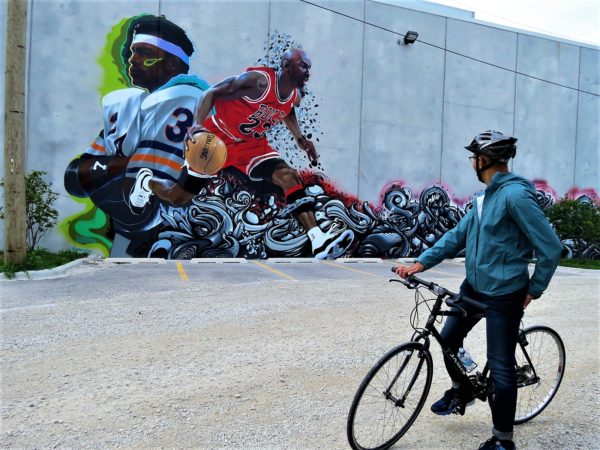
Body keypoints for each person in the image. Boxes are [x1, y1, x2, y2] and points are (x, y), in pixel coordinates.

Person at [395, 130, 562, 450]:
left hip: (504, 292)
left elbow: (550, 248)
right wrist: (421, 264)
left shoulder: (515, 196)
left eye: (474, 157)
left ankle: (503, 440)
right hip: (474, 285)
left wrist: (535, 288)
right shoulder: (485, 198)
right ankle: (463, 390)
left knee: (500, 364)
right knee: (449, 339)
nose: (472, 162)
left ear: (483, 160)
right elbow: (457, 236)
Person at [167, 48, 354, 259]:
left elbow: (287, 111)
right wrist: (197, 125)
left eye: (309, 67)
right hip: (218, 138)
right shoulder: (258, 82)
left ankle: (317, 239)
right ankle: (147, 183)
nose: (308, 72)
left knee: (287, 175)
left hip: (251, 147)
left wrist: (300, 138)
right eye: (303, 66)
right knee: (178, 198)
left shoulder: (295, 96)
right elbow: (211, 93)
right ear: (285, 66)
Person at [64, 15, 209, 256]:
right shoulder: (130, 105)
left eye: (143, 53)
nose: (132, 60)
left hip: (170, 237)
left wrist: (109, 170)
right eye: (133, 52)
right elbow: (74, 178)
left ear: (172, 63)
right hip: (129, 238)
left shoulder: (184, 99)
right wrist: (127, 166)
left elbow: (142, 206)